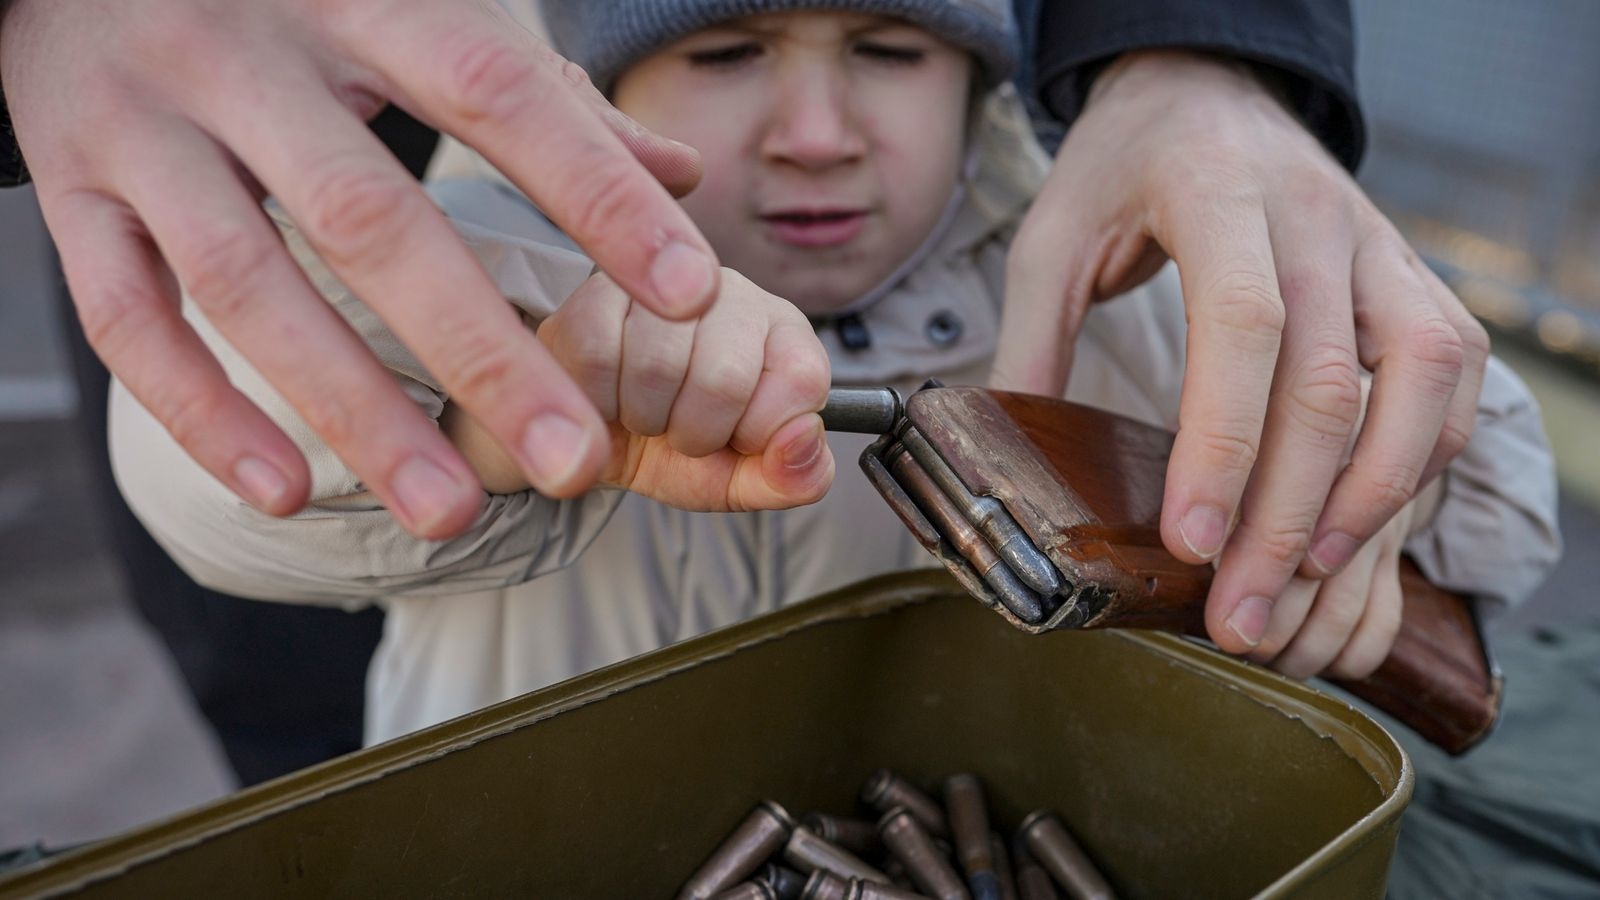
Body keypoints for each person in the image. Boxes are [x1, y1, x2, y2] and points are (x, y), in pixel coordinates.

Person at [110, 0, 1559, 744]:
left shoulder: (1119, 269)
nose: (817, 128)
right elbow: (219, 469)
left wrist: (1358, 494)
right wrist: (488, 422)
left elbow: (1493, 497)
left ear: (985, 78)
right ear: (589, 90)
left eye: (886, 47)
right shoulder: (477, 264)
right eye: (727, 49)